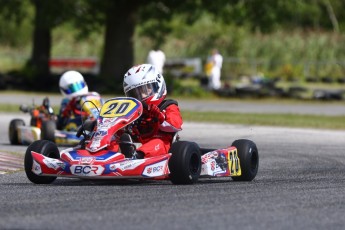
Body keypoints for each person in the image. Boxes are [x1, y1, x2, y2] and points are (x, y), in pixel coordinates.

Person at [119, 63, 183, 159]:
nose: (140, 97)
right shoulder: (134, 110)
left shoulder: (168, 106)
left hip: (162, 145)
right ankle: (102, 152)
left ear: (157, 86)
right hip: (135, 142)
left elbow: (175, 125)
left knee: (157, 143)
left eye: (143, 91)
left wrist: (159, 116)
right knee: (116, 138)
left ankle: (137, 156)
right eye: (134, 94)